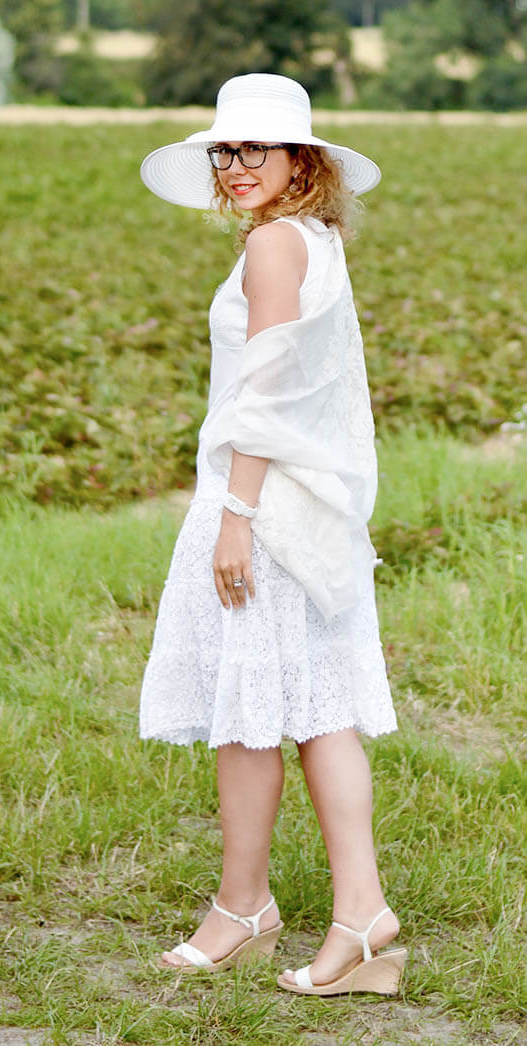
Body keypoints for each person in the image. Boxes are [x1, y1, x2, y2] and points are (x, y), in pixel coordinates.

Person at [138, 73, 406, 996]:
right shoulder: (312, 240)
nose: (237, 165)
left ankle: (249, 909)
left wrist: (235, 517)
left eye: (258, 148)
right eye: (226, 149)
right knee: (311, 711)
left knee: (256, 713)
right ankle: (353, 920)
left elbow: (270, 390)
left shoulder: (274, 249)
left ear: (303, 161)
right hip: (308, 508)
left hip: (264, 506)